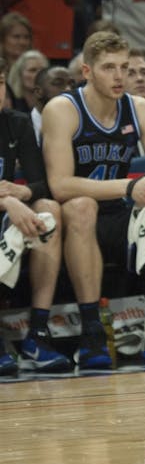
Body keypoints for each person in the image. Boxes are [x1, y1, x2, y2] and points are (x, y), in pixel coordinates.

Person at [42, 31, 145, 368]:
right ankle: (91, 333)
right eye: (108, 68)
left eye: (125, 68)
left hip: (121, 219)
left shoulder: (139, 107)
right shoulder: (62, 108)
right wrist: (130, 187)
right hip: (73, 222)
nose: (119, 77)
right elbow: (59, 186)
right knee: (81, 205)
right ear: (87, 71)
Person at [0, 56, 71, 374]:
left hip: (12, 208)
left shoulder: (16, 123)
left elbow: (43, 183)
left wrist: (23, 194)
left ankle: (36, 334)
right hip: (6, 209)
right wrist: (8, 203)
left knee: (50, 210)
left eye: (0, 82)